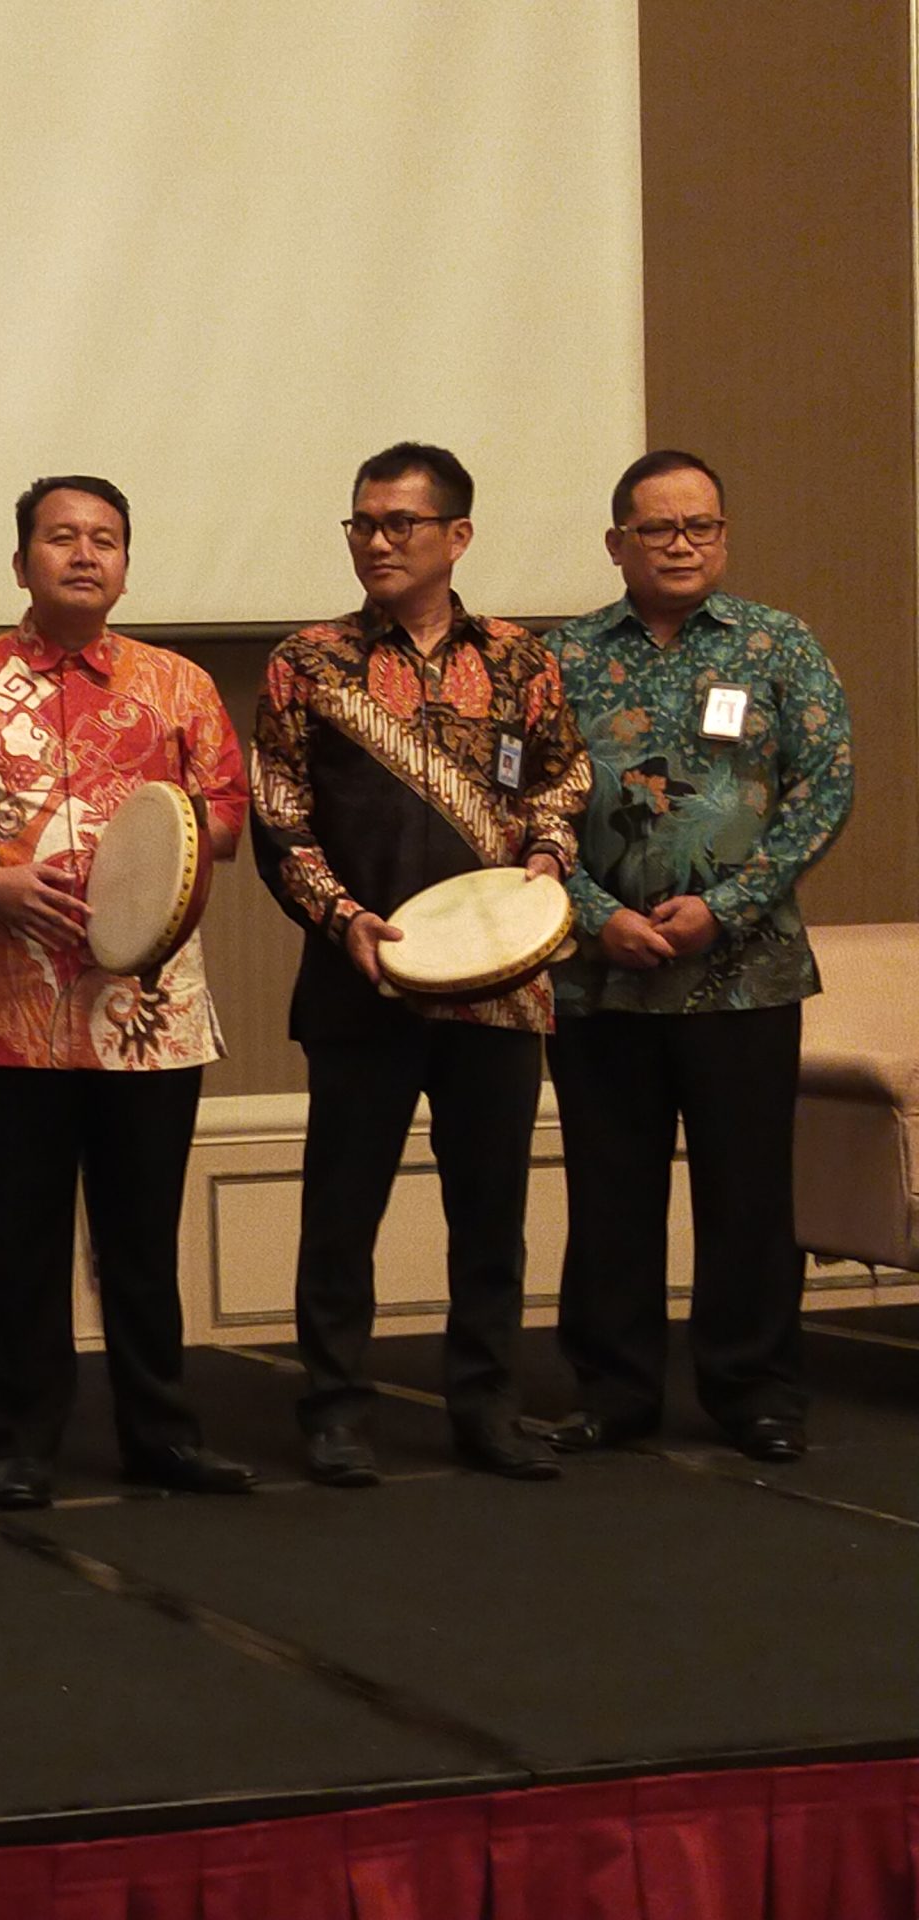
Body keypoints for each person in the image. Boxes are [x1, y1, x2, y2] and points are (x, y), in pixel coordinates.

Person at [0, 475, 259, 1507]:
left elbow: (226, 817)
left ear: (126, 565)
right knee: (19, 1242)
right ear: (22, 562)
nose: (84, 554)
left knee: (141, 1241)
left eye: (105, 539)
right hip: (3, 1009)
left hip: (145, 1012)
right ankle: (21, 1443)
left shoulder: (179, 686)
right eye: (61, 537)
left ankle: (163, 1436)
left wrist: (146, 863)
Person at [249, 442, 590, 1487]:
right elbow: (278, 813)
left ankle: (486, 1409)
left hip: (500, 985)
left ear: (457, 535)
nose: (377, 541)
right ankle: (333, 1411)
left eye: (400, 522)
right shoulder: (307, 662)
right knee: (340, 1211)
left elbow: (563, 780)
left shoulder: (525, 661)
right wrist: (342, 917)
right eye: (362, 522)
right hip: (362, 978)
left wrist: (546, 858)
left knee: (489, 1215)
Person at [543, 449, 854, 1463]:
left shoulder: (778, 644)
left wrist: (726, 908)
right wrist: (594, 916)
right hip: (601, 976)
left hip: (745, 971)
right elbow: (521, 806)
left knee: (749, 1196)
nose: (681, 545)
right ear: (616, 543)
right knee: (609, 1195)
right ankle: (614, 1392)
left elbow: (825, 787)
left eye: (701, 526)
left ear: (722, 534)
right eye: (658, 528)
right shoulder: (561, 658)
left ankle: (754, 1391)